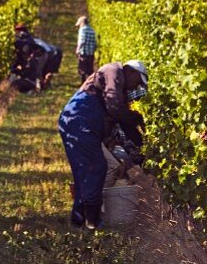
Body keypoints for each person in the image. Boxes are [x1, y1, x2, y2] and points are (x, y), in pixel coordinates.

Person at [58, 60, 148, 229]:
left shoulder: (119, 84)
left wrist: (143, 148)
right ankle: (92, 221)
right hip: (79, 120)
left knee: (86, 171)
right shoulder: (114, 71)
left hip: (79, 122)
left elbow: (123, 122)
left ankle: (79, 221)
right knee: (96, 167)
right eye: (138, 81)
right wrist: (136, 117)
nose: (136, 87)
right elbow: (115, 108)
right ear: (131, 72)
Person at [74, 15, 97, 82]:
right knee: (90, 70)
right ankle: (91, 83)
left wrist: (77, 50)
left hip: (84, 53)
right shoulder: (92, 30)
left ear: (82, 23)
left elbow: (82, 41)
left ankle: (83, 84)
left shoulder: (82, 30)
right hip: (91, 54)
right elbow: (95, 43)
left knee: (82, 70)